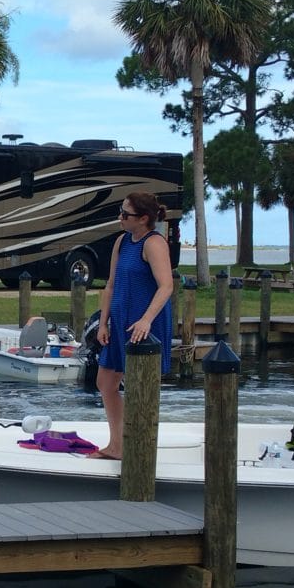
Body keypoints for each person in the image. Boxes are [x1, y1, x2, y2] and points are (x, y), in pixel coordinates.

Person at [93, 191, 174, 461]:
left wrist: (146, 319)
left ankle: (138, 449)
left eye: (125, 214)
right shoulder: (122, 241)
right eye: (121, 211)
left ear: (143, 218)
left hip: (144, 326)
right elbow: (111, 285)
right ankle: (117, 445)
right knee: (105, 382)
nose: (120, 217)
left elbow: (166, 286)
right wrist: (103, 323)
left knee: (139, 387)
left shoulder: (154, 243)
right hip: (120, 323)